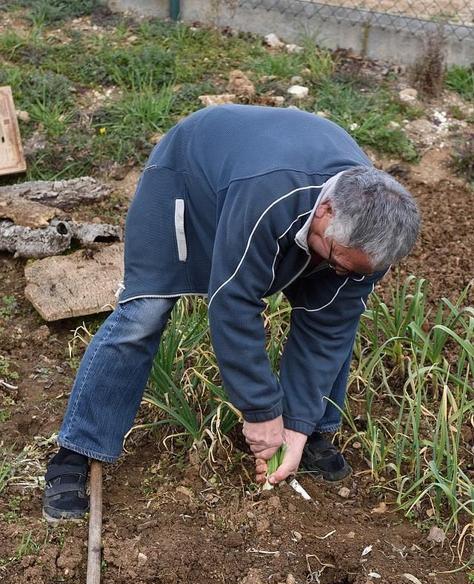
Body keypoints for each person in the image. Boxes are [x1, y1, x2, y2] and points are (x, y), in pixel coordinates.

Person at [42, 105, 420, 522]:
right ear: (327, 212)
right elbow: (234, 304)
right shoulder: (271, 199)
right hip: (189, 176)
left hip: (280, 196)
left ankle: (309, 436)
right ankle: (74, 454)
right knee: (144, 314)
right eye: (336, 258)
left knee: (333, 313)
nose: (340, 272)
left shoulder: (368, 240)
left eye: (355, 268)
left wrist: (293, 425)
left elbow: (328, 330)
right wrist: (261, 414)